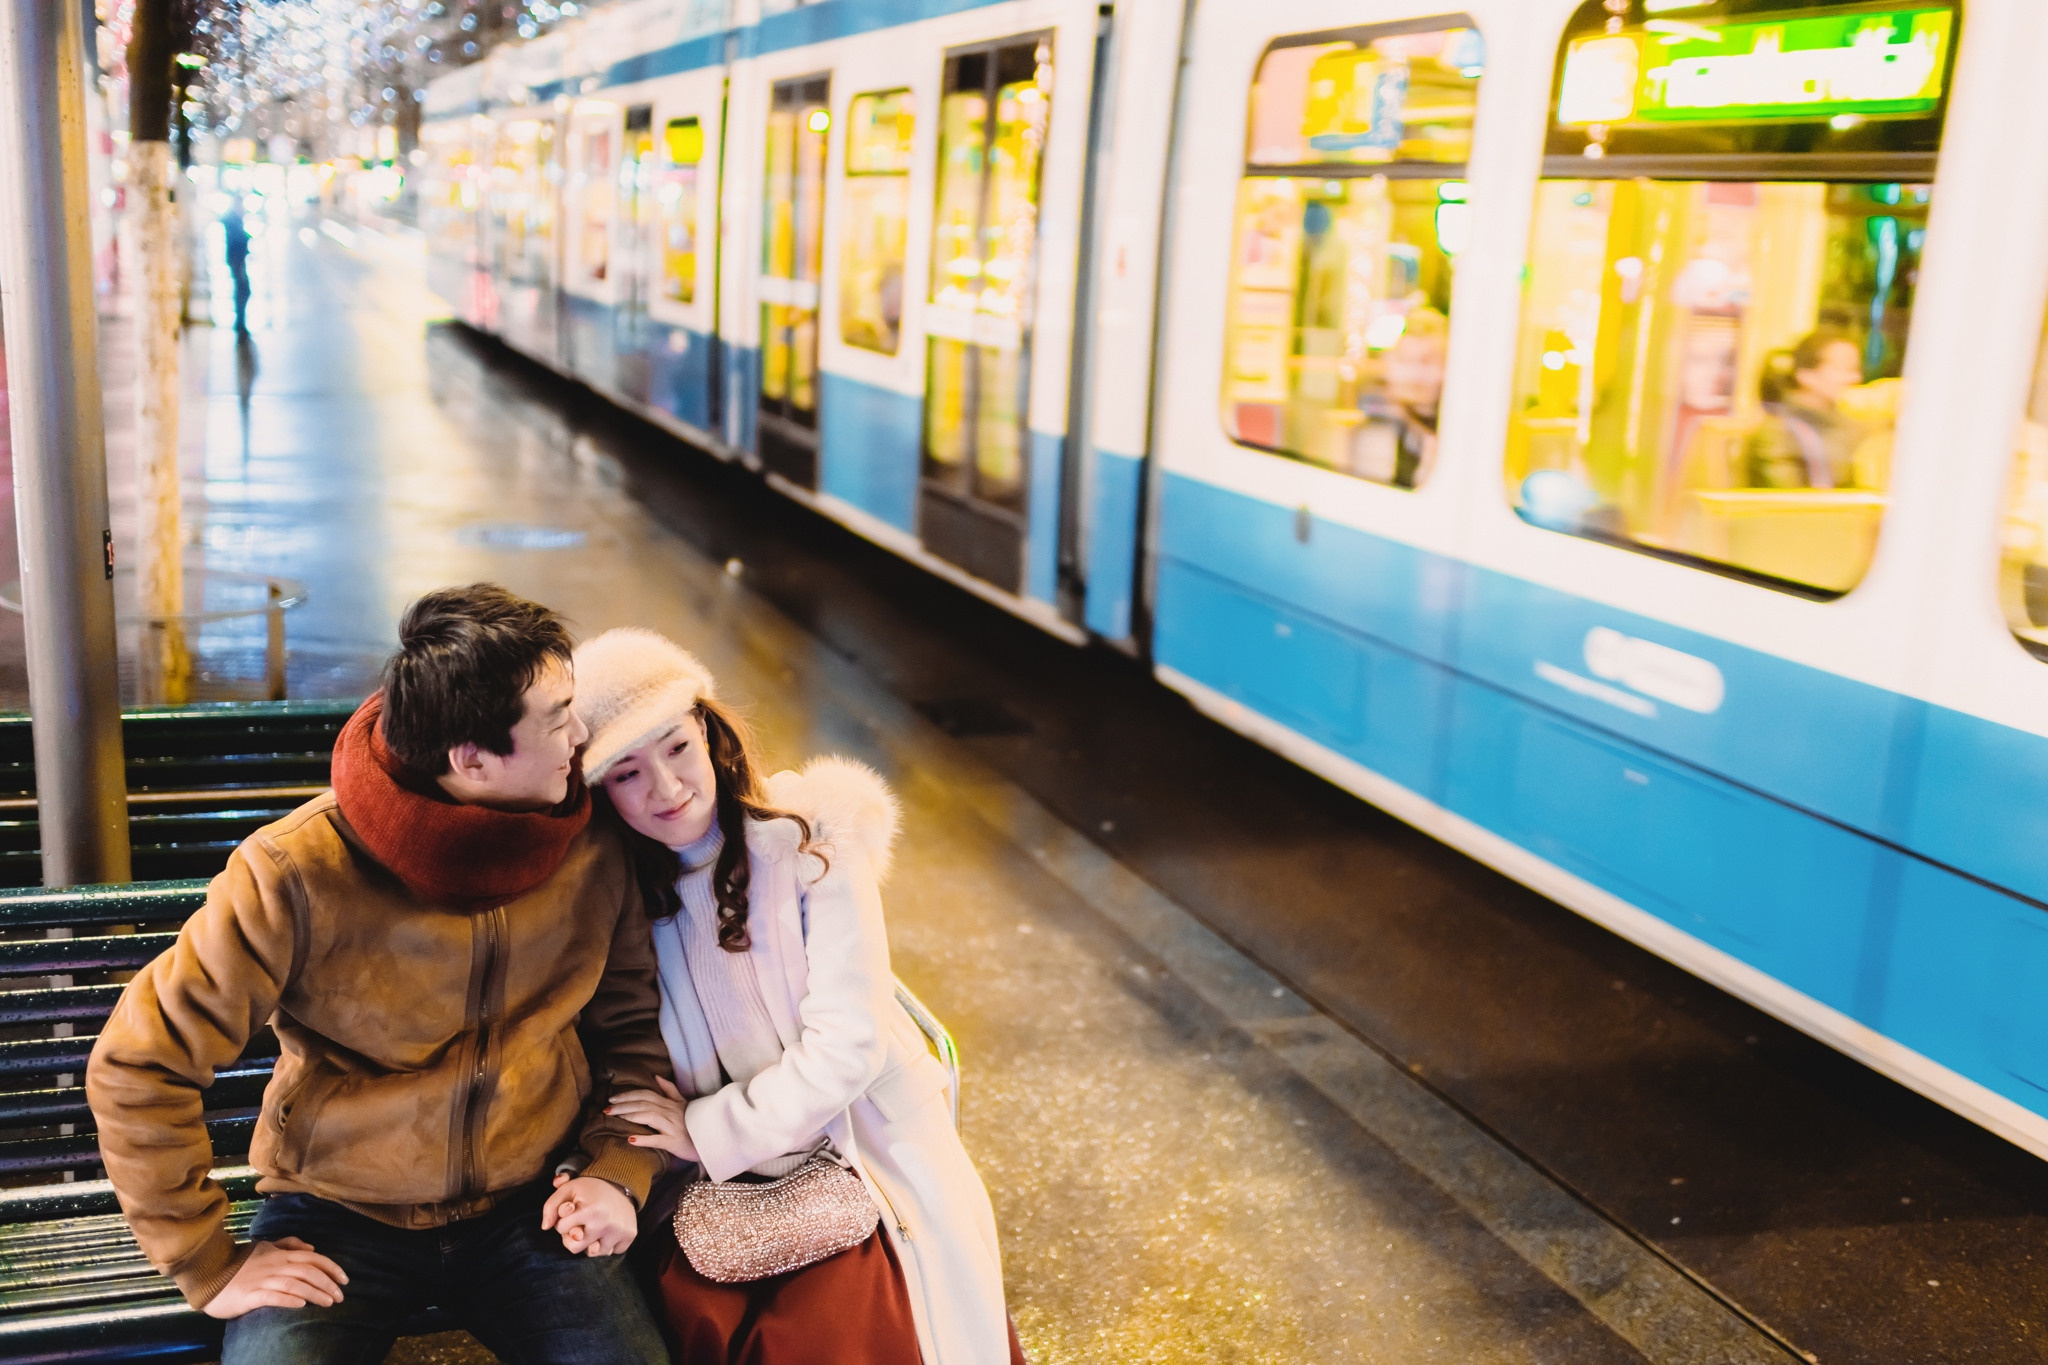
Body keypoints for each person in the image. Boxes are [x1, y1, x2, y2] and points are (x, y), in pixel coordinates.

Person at [86, 584, 673, 1365]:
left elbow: (632, 1032)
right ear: (471, 760)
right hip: (336, 1214)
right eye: (557, 716)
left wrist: (618, 1168)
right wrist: (204, 1260)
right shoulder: (296, 870)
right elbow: (140, 1061)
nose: (582, 733)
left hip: (533, 1204)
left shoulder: (591, 843)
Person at [572, 628, 1025, 1365]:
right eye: (627, 773)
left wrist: (706, 1128)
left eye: (677, 747)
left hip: (857, 1151)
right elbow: (627, 1054)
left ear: (708, 733)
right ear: (599, 792)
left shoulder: (808, 841)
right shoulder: (620, 896)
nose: (667, 787)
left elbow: (848, 1047)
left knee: (826, 1334)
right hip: (727, 1183)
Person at [1744, 330, 1867, 489]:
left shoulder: (1844, 426)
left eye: (1856, 370)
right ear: (1806, 375)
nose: (1855, 378)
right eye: (1846, 369)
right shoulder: (1778, 431)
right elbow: (1788, 499)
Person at [223, 199, 252, 335]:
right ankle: (240, 322)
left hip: (238, 259)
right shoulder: (233, 220)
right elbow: (237, 239)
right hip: (237, 260)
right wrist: (246, 238)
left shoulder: (234, 219)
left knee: (243, 289)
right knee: (243, 289)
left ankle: (240, 321)